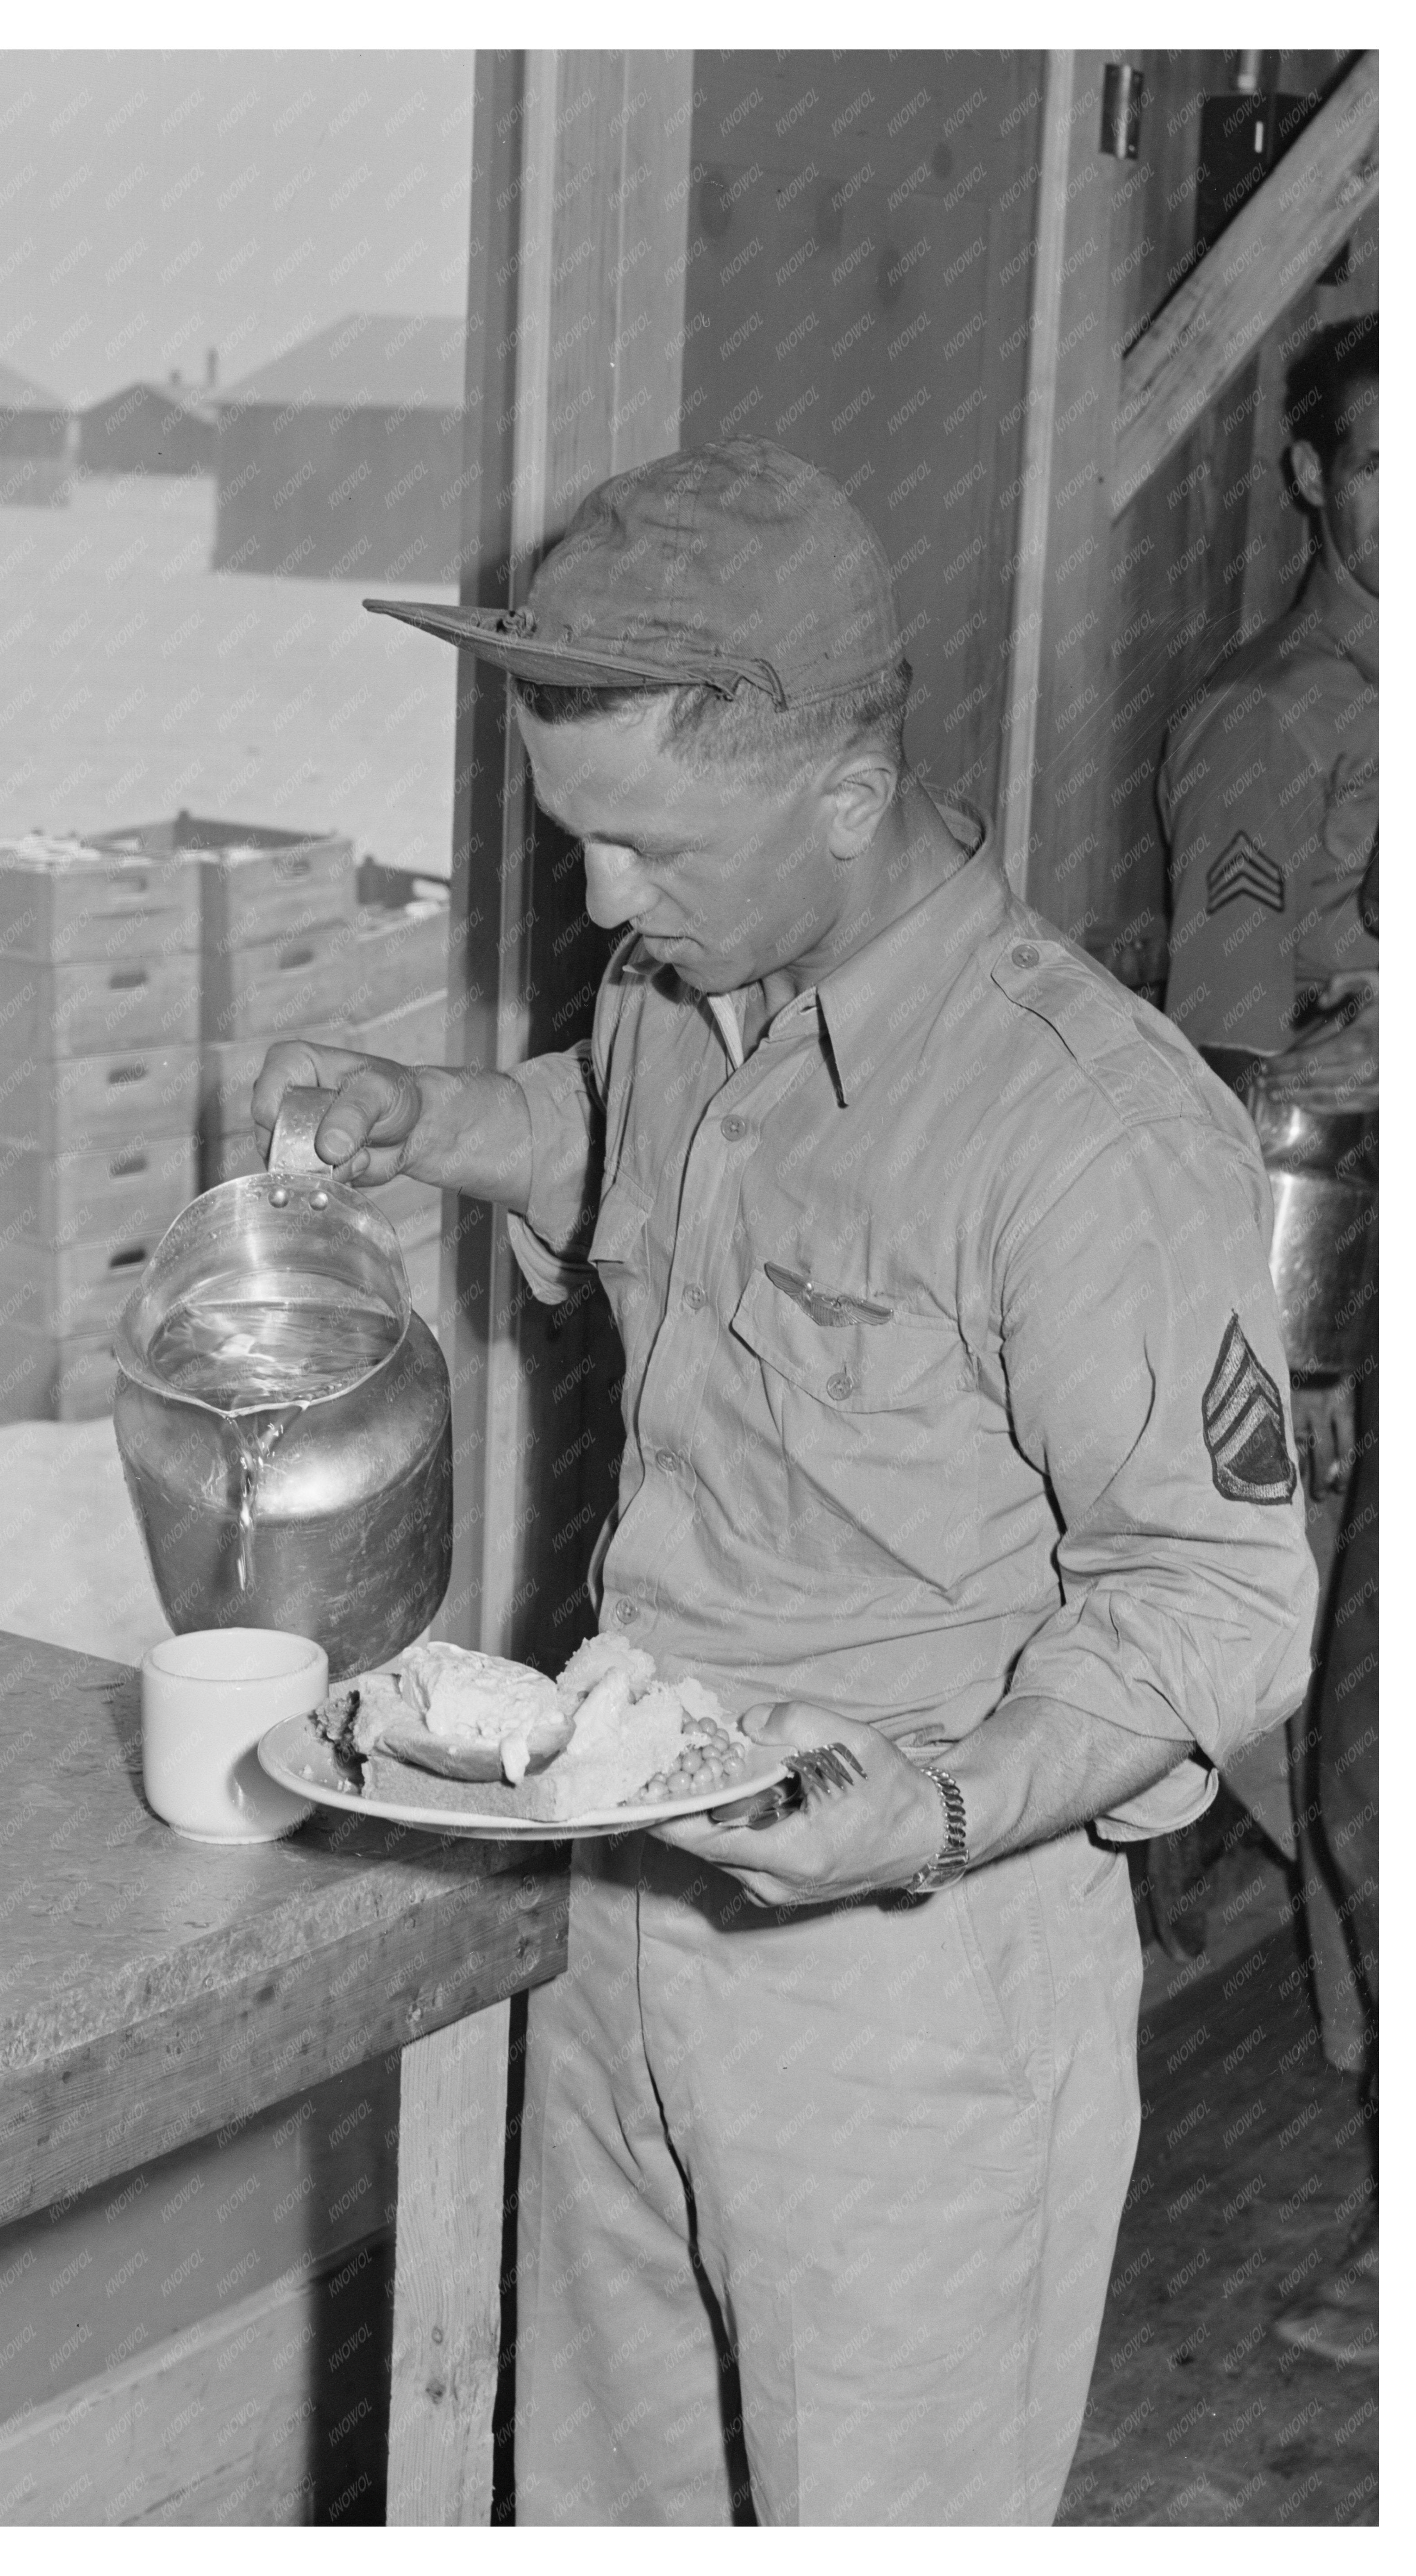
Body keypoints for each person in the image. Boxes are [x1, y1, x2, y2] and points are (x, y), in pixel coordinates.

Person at [256, 440, 1319, 2522]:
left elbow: (1218, 1599)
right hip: (621, 1894)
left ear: (848, 793)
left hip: (910, 1979)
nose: (601, 903)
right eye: (575, 836)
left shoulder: (1087, 1130)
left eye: (647, 846)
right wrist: (435, 1118)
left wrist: (935, 1815)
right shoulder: (688, 989)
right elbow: (632, 1145)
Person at [1158, 320, 1378, 2363]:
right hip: (1340, 1284)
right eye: (1387, 464)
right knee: (1362, 1751)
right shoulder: (1269, 726)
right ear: (1314, 476)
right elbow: (1225, 1084)